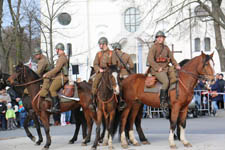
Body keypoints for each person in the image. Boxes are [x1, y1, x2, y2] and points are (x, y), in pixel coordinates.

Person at [147, 31, 181, 108]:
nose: (159, 39)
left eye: (161, 37)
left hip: (166, 68)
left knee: (176, 78)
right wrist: (157, 68)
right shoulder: (154, 47)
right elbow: (150, 59)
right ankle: (162, 101)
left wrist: (176, 65)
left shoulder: (166, 48)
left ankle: (172, 98)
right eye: (158, 37)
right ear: (156, 39)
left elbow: (172, 59)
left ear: (164, 38)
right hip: (157, 70)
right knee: (166, 81)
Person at [89, 37, 117, 112]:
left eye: (100, 44)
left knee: (116, 84)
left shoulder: (112, 53)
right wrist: (99, 69)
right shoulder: (98, 54)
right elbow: (95, 64)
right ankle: (93, 102)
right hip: (101, 72)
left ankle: (120, 101)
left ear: (104, 44)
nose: (99, 45)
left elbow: (114, 64)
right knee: (94, 83)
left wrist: (110, 70)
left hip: (109, 72)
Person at [40, 43, 68, 113]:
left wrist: (47, 74)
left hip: (62, 77)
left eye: (56, 49)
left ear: (59, 49)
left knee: (52, 89)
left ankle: (56, 107)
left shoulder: (62, 58)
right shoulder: (61, 57)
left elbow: (57, 69)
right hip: (58, 76)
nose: (56, 51)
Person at [111, 42, 134, 110]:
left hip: (118, 74)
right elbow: (132, 66)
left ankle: (120, 100)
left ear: (115, 49)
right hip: (126, 74)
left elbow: (113, 65)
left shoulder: (114, 55)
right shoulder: (127, 55)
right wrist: (126, 67)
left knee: (115, 86)